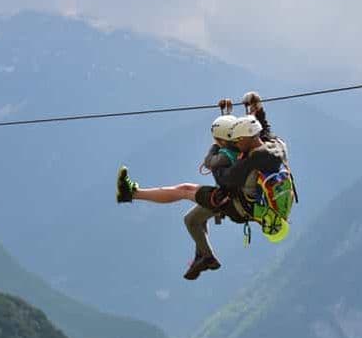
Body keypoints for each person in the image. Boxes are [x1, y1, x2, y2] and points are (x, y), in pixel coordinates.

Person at [117, 93, 295, 280]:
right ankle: (205, 256)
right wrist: (255, 109)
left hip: (237, 207)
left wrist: (216, 149)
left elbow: (224, 179)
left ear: (246, 139)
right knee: (192, 218)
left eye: (238, 140)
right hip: (248, 203)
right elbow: (263, 130)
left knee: (185, 190)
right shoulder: (276, 146)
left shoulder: (248, 163)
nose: (236, 142)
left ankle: (130, 193)